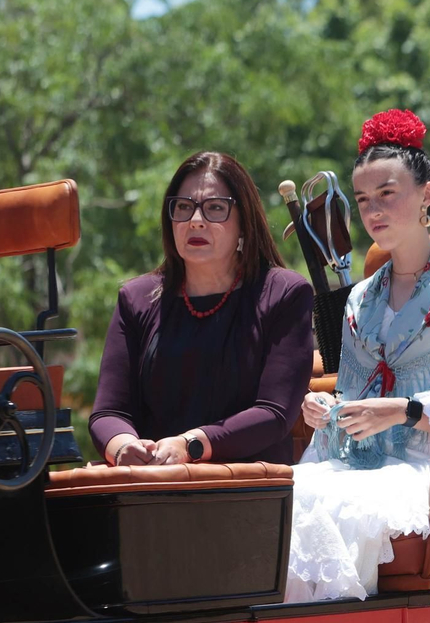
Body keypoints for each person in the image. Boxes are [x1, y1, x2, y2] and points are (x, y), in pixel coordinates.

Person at [286, 110, 430, 602]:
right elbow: (355, 398)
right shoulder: (359, 300)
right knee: (286, 495)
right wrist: (329, 414)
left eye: (387, 194)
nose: (373, 211)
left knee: (342, 504)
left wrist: (406, 410)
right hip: (365, 465)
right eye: (364, 200)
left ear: (426, 196)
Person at [90, 151, 314, 467]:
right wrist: (123, 446)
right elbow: (109, 412)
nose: (195, 220)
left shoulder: (284, 293)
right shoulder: (136, 299)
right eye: (183, 207)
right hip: (150, 487)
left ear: (244, 223)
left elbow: (274, 413)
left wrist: (191, 446)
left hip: (245, 489)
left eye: (215, 208)